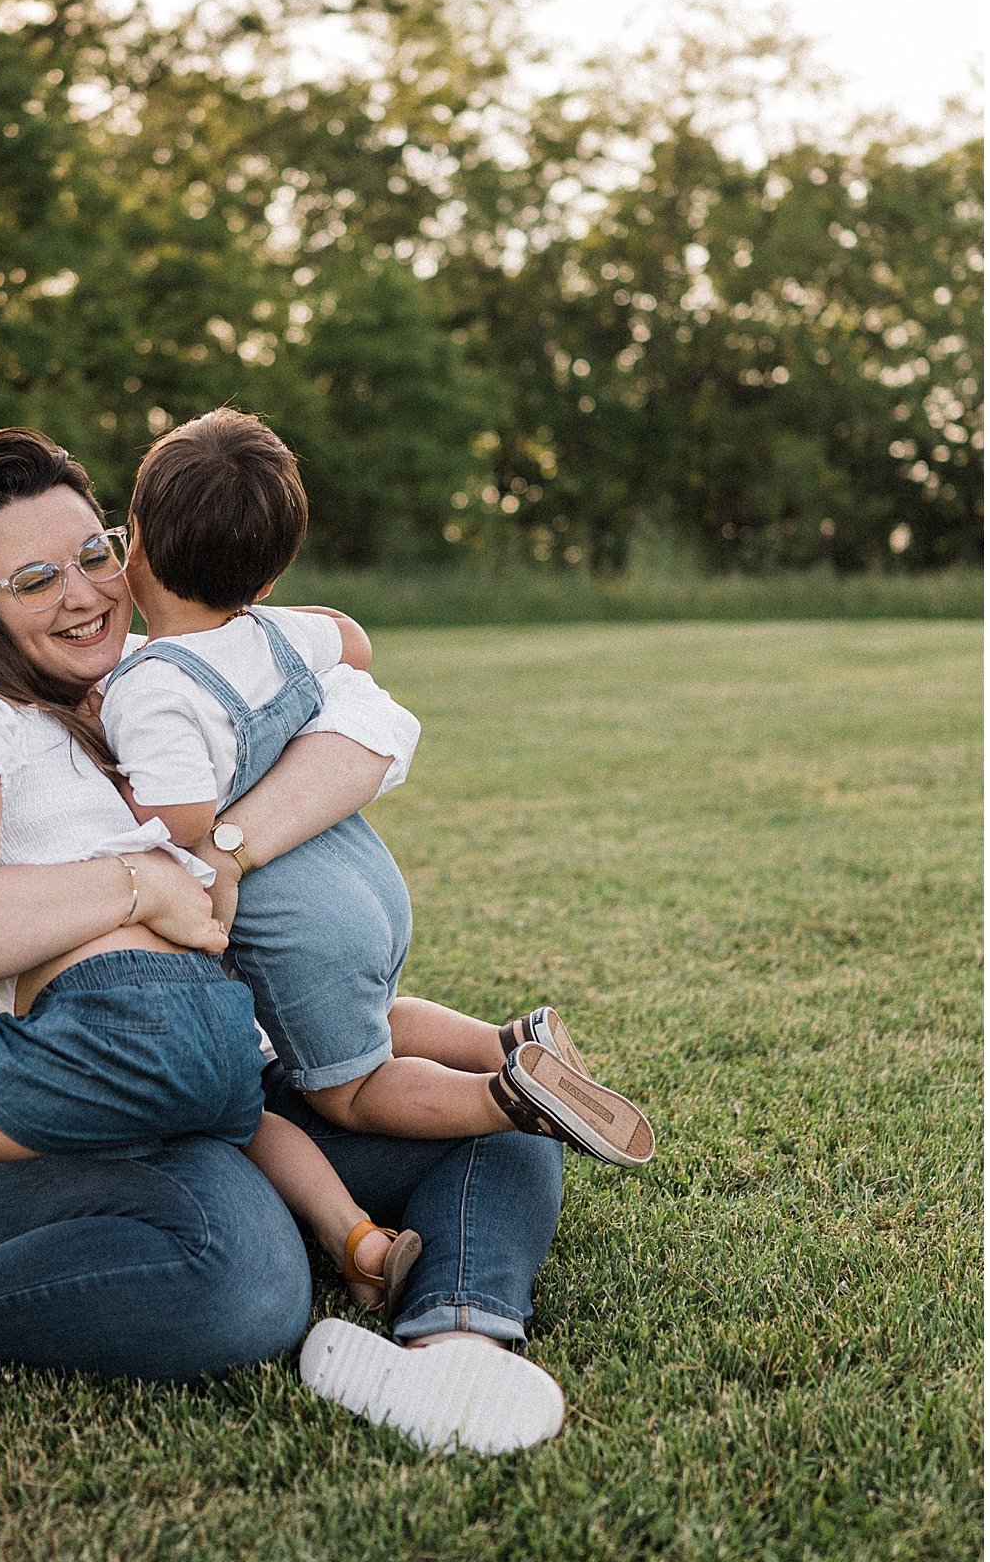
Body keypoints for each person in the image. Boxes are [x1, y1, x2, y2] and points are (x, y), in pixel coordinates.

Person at [0, 429, 568, 1460]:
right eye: (32, 577)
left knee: (508, 1123)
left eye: (95, 553)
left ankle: (450, 1339)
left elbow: (374, 721)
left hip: (205, 1080)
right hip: (20, 1129)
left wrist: (229, 842)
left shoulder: (163, 677)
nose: (82, 593)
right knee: (250, 1285)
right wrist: (128, 881)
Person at [100, 408, 655, 1168]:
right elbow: (353, 639)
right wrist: (270, 609)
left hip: (297, 924)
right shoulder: (277, 634)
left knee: (354, 1087)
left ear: (133, 541)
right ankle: (512, 1040)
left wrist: (121, 789)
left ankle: (506, 1097)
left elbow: (184, 816)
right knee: (375, 1014)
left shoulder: (150, 688)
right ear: (267, 577)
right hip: (366, 881)